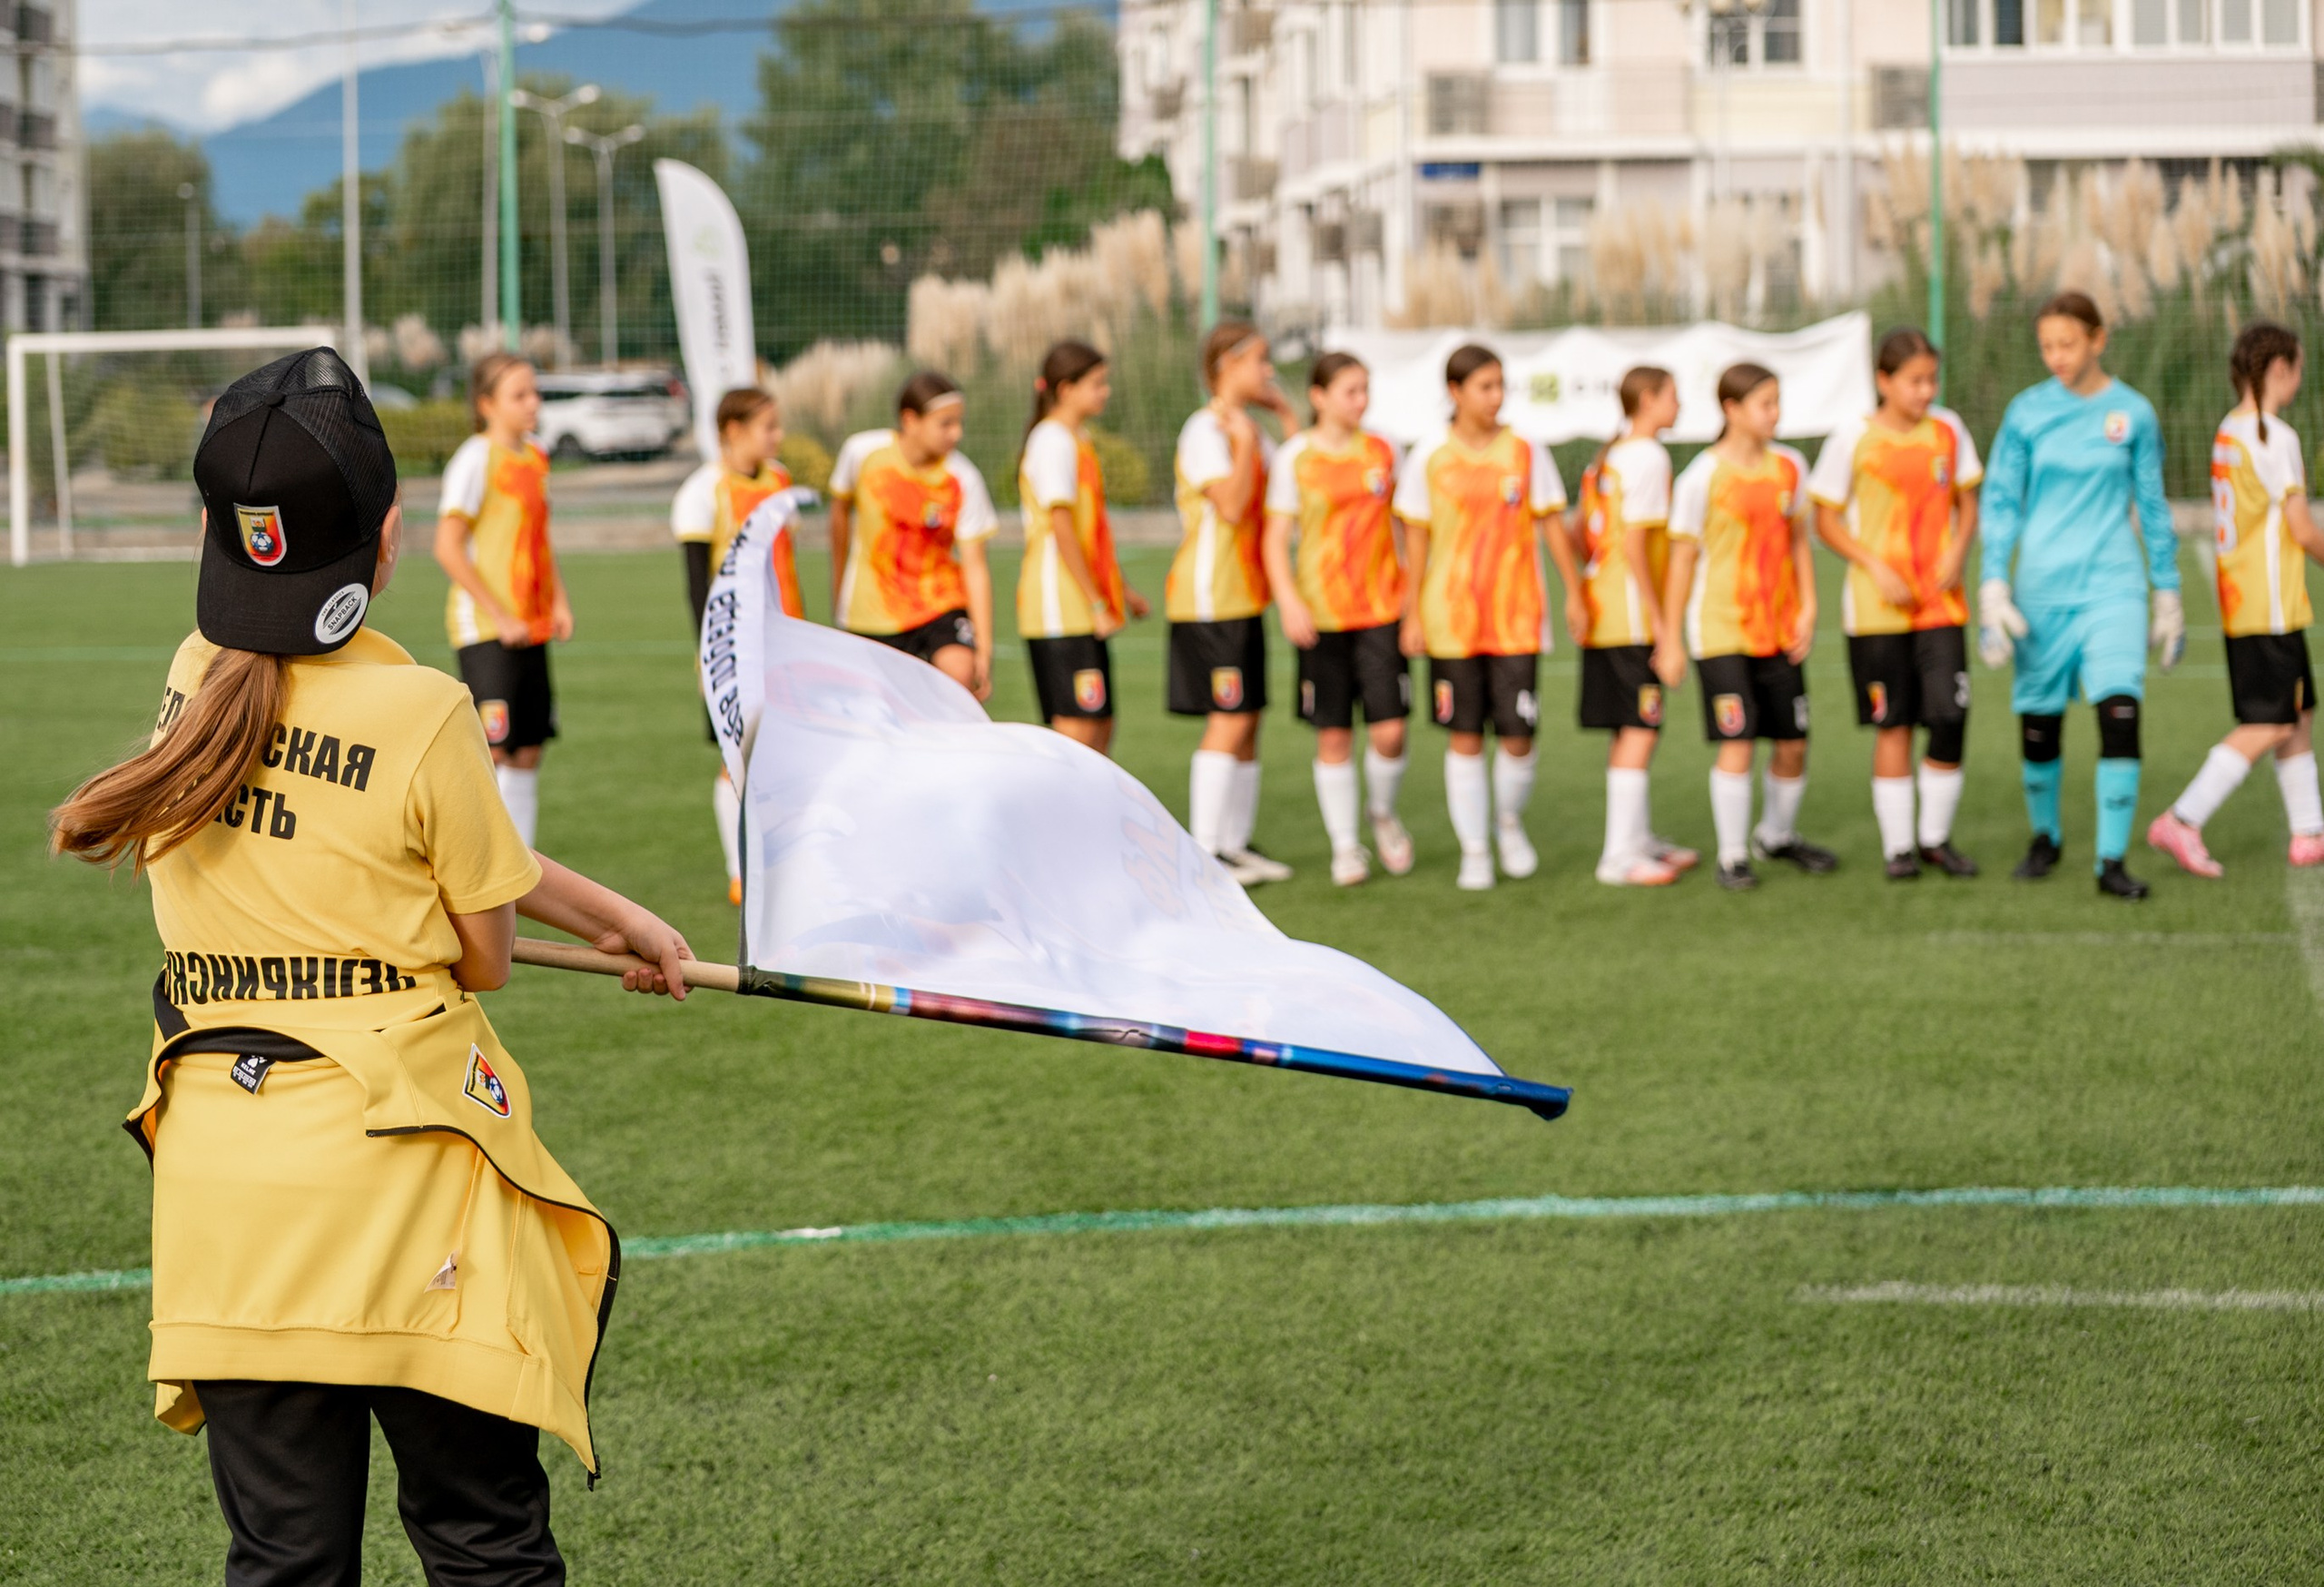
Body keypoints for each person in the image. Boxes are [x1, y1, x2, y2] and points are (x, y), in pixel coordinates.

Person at [48, 347, 692, 1582]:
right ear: (389, 542)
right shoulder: (428, 714)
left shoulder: (195, 679)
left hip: (231, 1204)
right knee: (483, 1546)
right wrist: (576, 923)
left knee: (285, 1566)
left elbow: (424, 850)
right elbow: (485, 953)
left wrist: (618, 917)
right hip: (406, 1198)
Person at [1977, 291, 2183, 900]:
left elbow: (2152, 504)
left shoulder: (2135, 414)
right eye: (2046, 345)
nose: (2056, 356)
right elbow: (2001, 501)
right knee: (2039, 725)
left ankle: (2112, 862)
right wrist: (1993, 583)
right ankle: (2046, 839)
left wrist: (2166, 591)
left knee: (2120, 712)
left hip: (2113, 589)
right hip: (2040, 592)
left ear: (2099, 338)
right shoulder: (2025, 413)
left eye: (2067, 343)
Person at [1809, 328, 1985, 881]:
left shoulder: (1949, 430)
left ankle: (1936, 839)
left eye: (1932, 379)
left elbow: (1967, 501)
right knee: (1896, 725)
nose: (1926, 390)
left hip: (1941, 605)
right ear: (1883, 381)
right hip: (1877, 611)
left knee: (1951, 718)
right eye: (1914, 381)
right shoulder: (1850, 439)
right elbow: (1825, 519)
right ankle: (1899, 849)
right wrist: (1873, 564)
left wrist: (1958, 548)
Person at [2149, 320, 2324, 875]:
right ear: (2280, 369)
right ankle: (2182, 818)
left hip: (2249, 600)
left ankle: (2308, 832)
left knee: (2296, 715)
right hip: (2267, 604)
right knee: (2270, 721)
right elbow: (2301, 527)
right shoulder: (2275, 435)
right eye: (2296, 367)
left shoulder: (2230, 429)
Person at [1393, 343, 1570, 892]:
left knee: (1518, 737)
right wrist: (1413, 612)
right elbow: (1415, 542)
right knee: (1465, 736)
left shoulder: (1526, 452)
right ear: (1456, 392)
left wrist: (1577, 595)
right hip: (1451, 622)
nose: (1496, 397)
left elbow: (1552, 526)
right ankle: (1475, 850)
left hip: (1517, 618)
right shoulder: (1428, 456)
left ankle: (1508, 822)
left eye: (1500, 386)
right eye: (1485, 387)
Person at [1655, 361, 1835, 892]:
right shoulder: (1701, 478)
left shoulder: (1790, 467)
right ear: (1731, 409)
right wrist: (1669, 639)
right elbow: (1682, 562)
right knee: (1738, 741)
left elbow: (1799, 539)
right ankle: (1733, 856)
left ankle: (1776, 836)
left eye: (1778, 401)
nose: (1775, 413)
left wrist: (1807, 607)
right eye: (1765, 403)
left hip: (1779, 629)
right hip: (1722, 631)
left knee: (1793, 744)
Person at [1261, 351, 1413, 886]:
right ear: (1319, 397)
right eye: (1350, 390)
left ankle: (1382, 812)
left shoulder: (1384, 449)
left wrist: (1413, 599)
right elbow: (1275, 539)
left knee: (1391, 732)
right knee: (1333, 736)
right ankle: (1346, 848)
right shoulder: (1294, 457)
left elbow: (1406, 528)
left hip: (1382, 610)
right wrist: (1290, 601)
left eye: (1365, 389)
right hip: (1321, 616)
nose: (1361, 401)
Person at [1172, 320, 1299, 884]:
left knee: (1249, 718)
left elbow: (1297, 481)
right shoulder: (1207, 430)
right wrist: (1246, 444)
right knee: (1228, 716)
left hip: (1245, 594)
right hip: (1210, 596)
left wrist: (1283, 419)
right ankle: (1206, 854)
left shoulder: (1252, 428)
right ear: (1228, 365)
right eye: (1259, 361)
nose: (1267, 372)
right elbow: (1230, 505)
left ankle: (1235, 843)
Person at [435, 351, 572, 847]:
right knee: (493, 751)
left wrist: (558, 602)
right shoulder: (475, 459)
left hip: (530, 626)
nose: (533, 402)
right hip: (487, 631)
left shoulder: (535, 456)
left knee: (530, 749)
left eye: (535, 392)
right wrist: (498, 613)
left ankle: (524, 865)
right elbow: (447, 547)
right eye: (520, 395)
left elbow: (541, 537)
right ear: (487, 403)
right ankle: (479, 865)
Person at [672, 386, 802, 904]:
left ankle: (780, 857)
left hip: (784, 641)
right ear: (732, 431)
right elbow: (697, 585)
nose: (778, 436)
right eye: (768, 426)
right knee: (738, 758)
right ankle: (740, 870)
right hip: (735, 650)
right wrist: (712, 656)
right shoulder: (703, 492)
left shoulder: (781, 480)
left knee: (784, 753)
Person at [1572, 364, 1699, 887]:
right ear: (1646, 400)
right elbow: (1635, 548)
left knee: (1629, 728)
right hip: (1629, 615)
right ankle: (1619, 858)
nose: (1679, 404)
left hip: (1605, 608)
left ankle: (1638, 840)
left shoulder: (1610, 456)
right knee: (1641, 729)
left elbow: (1586, 533)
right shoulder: (1647, 456)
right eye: (1672, 395)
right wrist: (1663, 625)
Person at [828, 371, 999, 701]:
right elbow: (839, 512)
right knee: (875, 712)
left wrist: (984, 651)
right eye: (945, 424)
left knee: (959, 674)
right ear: (910, 420)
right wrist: (839, 586)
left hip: (939, 602)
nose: (957, 433)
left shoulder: (963, 477)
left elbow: (975, 566)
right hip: (874, 608)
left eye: (959, 423)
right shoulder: (862, 453)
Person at [1019, 340, 1148, 755]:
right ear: (1064, 389)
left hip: (1082, 609)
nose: (1105, 391)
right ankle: (1055, 821)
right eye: (1096, 383)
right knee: (1076, 735)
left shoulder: (1078, 438)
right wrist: (1095, 603)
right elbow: (1061, 527)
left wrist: (1122, 591)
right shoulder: (1052, 441)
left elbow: (1092, 531)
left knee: (1100, 727)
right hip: (1061, 610)